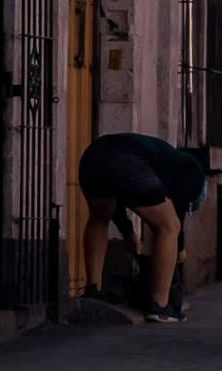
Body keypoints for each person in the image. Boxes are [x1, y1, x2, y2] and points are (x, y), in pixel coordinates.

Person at [77, 132, 208, 322]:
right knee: (169, 227)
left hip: (92, 157)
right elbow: (176, 211)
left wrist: (128, 232)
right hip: (129, 162)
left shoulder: (168, 162)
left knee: (99, 217)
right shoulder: (195, 175)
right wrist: (180, 249)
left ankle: (93, 290)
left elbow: (116, 193)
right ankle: (161, 306)